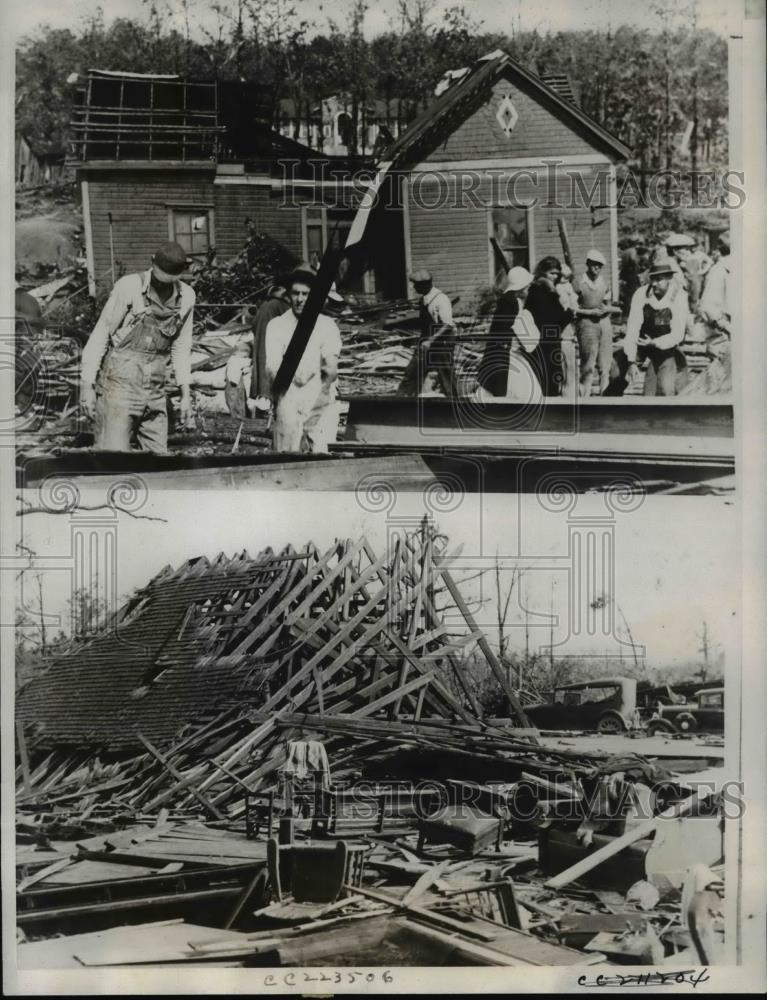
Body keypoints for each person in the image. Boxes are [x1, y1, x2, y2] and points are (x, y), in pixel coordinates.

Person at [80, 241, 195, 453]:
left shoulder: (187, 296)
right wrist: (86, 385)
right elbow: (101, 334)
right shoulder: (129, 286)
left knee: (158, 460)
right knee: (112, 458)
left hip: (156, 390)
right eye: (160, 280)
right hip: (119, 386)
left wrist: (186, 395)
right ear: (152, 263)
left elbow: (181, 348)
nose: (163, 286)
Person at [265, 265, 342, 453]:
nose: (300, 299)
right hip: (289, 397)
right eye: (295, 293)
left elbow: (331, 364)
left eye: (306, 294)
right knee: (288, 457)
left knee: (321, 454)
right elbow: (273, 367)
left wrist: (322, 392)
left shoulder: (327, 325)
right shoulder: (277, 326)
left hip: (319, 398)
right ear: (289, 295)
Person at [623, 256, 689, 396]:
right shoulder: (641, 294)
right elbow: (632, 328)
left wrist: (655, 343)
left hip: (664, 346)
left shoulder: (679, 297)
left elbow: (677, 334)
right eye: (652, 279)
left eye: (659, 280)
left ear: (669, 279)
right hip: (641, 342)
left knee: (664, 388)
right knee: (616, 373)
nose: (654, 283)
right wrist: (631, 361)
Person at [475, 266, 541, 402]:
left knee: (504, 384)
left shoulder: (510, 300)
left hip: (507, 348)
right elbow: (505, 327)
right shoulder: (510, 301)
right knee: (510, 384)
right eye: (527, 287)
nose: (528, 289)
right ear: (520, 287)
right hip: (504, 351)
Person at [397, 268, 457, 396]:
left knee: (446, 376)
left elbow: (447, 325)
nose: (414, 288)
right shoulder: (424, 299)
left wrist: (430, 341)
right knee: (412, 372)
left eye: (416, 285)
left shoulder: (441, 299)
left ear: (425, 284)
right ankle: (402, 402)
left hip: (441, 344)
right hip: (425, 342)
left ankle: (454, 406)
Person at [525, 256, 574, 397]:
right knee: (548, 380)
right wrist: (569, 312)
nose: (554, 277)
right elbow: (557, 318)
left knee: (548, 379)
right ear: (543, 272)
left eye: (557, 274)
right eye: (551, 273)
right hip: (544, 341)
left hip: (547, 340)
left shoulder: (538, 290)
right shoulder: (544, 292)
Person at [573, 249, 614, 396]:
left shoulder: (605, 282)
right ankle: (585, 399)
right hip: (586, 324)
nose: (596, 268)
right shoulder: (579, 283)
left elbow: (608, 304)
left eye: (600, 265)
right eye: (594, 264)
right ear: (588, 264)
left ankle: (605, 397)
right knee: (588, 364)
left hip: (604, 324)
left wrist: (606, 309)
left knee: (605, 364)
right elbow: (573, 308)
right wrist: (589, 312)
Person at [249, 284, 289, 413]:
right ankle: (267, 399)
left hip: (262, 337)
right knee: (269, 366)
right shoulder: (280, 304)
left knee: (261, 365)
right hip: (272, 339)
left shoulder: (266, 305)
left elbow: (254, 325)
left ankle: (262, 398)